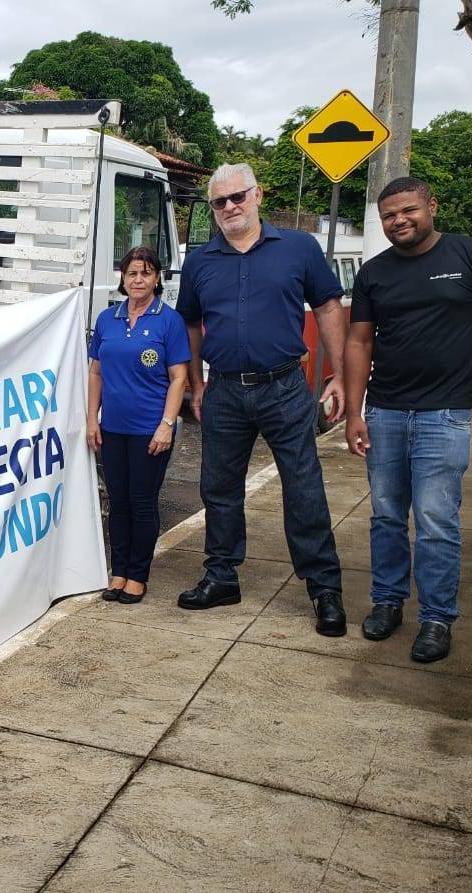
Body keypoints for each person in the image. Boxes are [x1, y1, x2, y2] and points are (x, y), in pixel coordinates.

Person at [344, 177, 472, 663]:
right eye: (389, 215)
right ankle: (387, 602)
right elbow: (359, 342)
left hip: (445, 414)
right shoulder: (374, 273)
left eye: (408, 210)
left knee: (437, 520)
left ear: (431, 206)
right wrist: (356, 413)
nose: (399, 220)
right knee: (385, 515)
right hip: (385, 413)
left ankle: (437, 618)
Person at [176, 163, 349, 636]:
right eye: (220, 202)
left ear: (257, 196)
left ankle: (324, 588)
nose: (230, 207)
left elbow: (329, 306)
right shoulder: (200, 261)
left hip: (286, 388)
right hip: (225, 389)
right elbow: (189, 323)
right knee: (219, 487)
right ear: (212, 209)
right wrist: (195, 381)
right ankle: (221, 576)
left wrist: (338, 376)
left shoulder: (298, 247)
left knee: (304, 486)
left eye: (238, 197)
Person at [86, 245, 189, 603]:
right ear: (123, 278)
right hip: (112, 428)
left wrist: (167, 424)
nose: (138, 279)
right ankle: (119, 572)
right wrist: (91, 420)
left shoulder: (168, 320)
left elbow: (179, 378)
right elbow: (95, 372)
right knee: (118, 502)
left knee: (142, 502)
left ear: (157, 277)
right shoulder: (107, 319)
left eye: (145, 272)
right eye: (132, 273)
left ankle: (137, 575)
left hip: (150, 430)